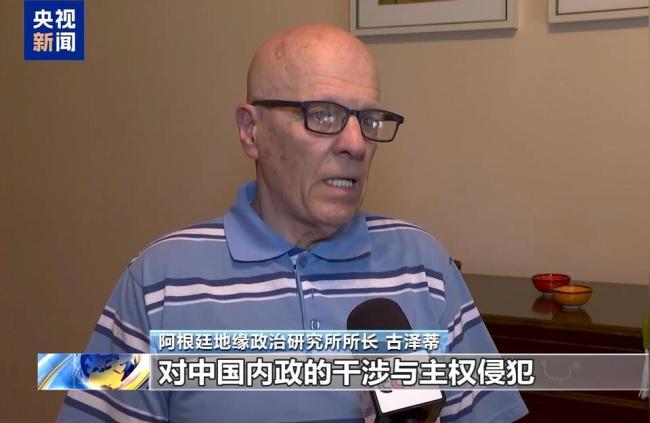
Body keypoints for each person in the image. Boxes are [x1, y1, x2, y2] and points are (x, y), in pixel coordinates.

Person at [58, 24, 528, 422]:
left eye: (368, 120)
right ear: (251, 131)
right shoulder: (156, 281)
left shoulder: (425, 266)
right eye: (322, 114)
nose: (356, 144)